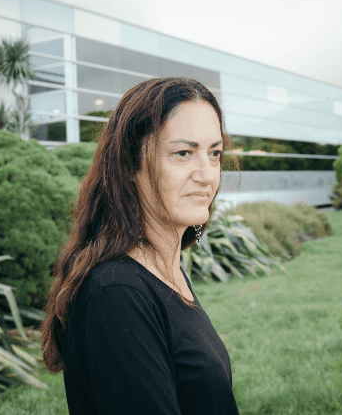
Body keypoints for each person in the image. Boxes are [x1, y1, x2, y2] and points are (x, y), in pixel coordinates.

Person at [40, 77, 240, 414]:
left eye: (214, 153)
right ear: (130, 163)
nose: (207, 175)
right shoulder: (116, 295)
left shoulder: (165, 271)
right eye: (183, 153)